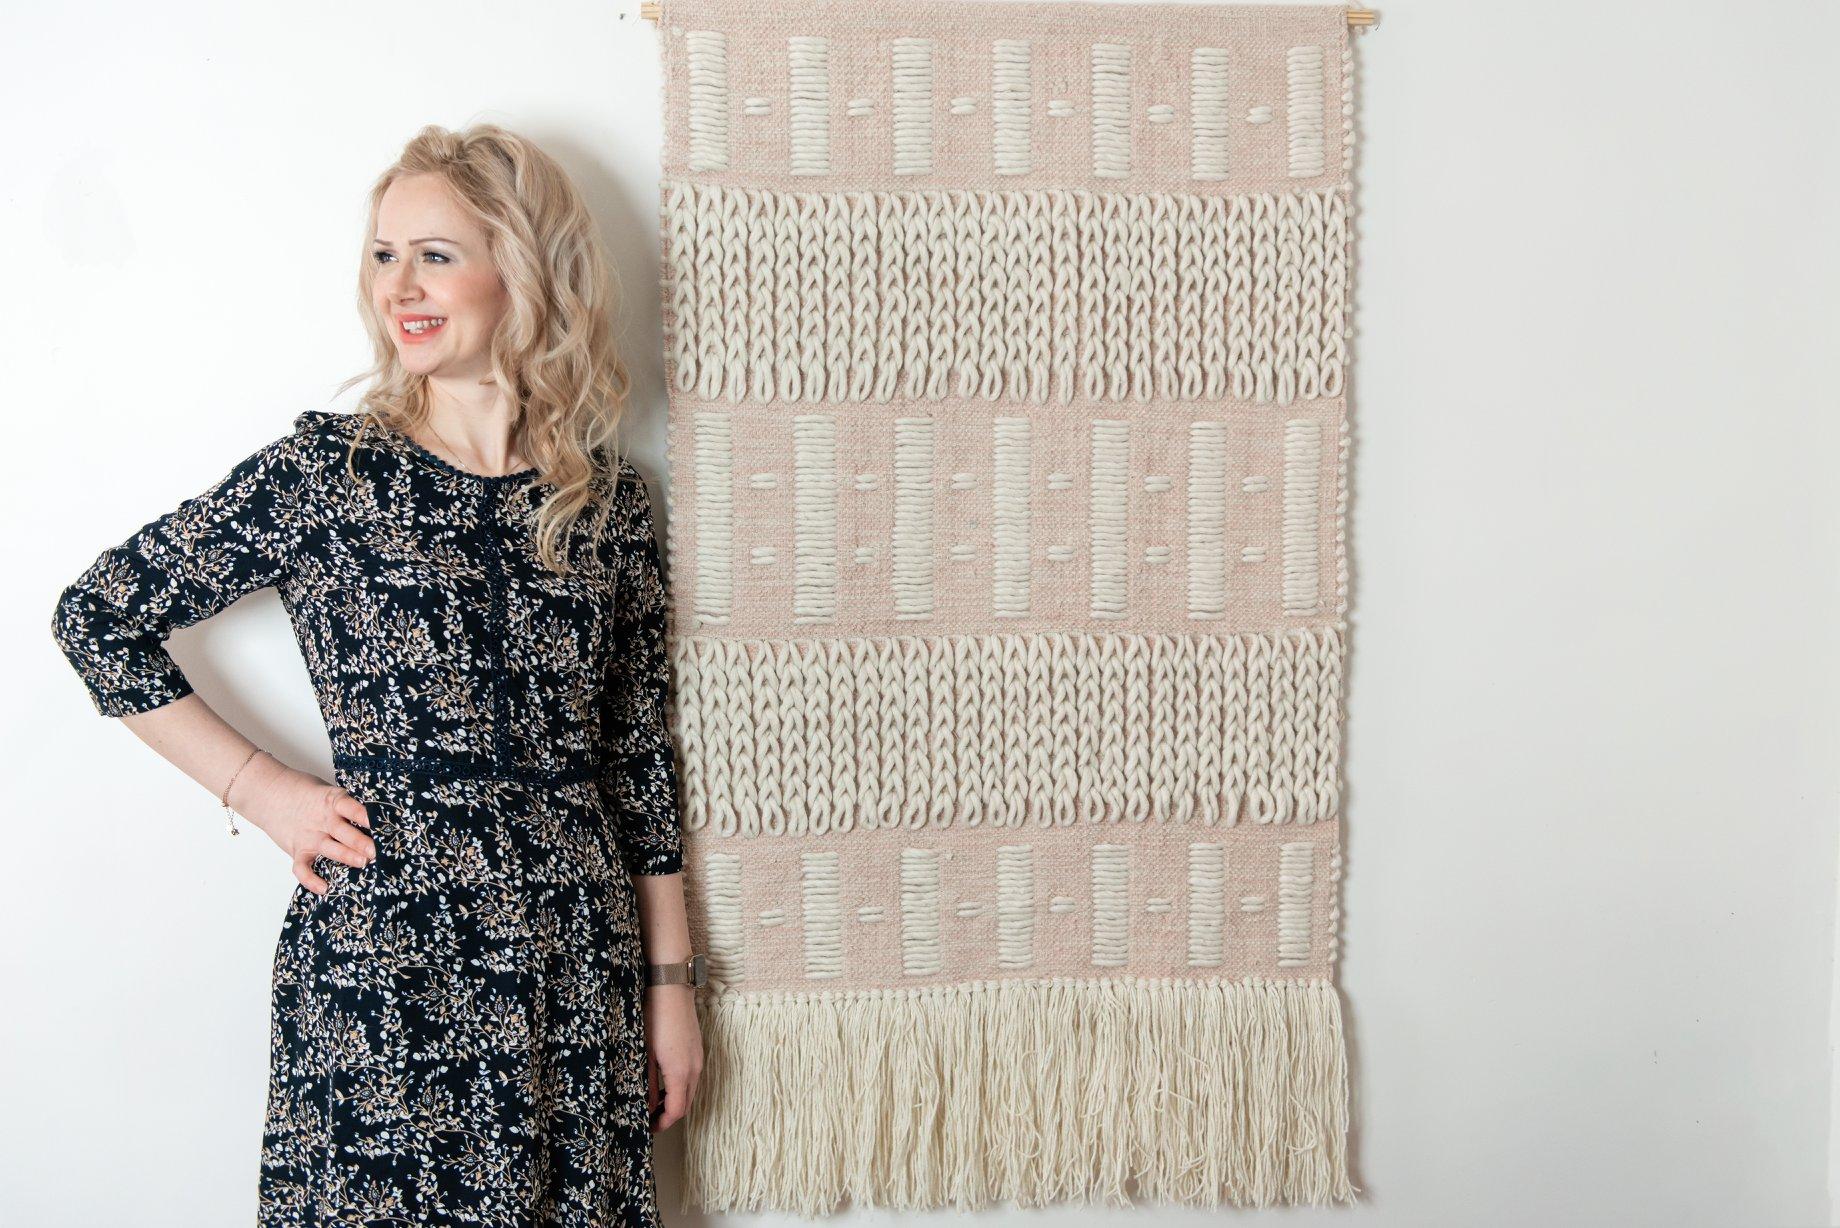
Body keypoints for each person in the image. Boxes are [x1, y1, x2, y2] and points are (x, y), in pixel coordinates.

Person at [49, 122, 704, 1226]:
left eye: (437, 253)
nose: (400, 282)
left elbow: (639, 761)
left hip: (573, 960)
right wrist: (261, 790)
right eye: (383, 252)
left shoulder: (611, 503)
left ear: (523, 269)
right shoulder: (330, 474)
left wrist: (671, 993)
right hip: (392, 954)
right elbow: (98, 617)